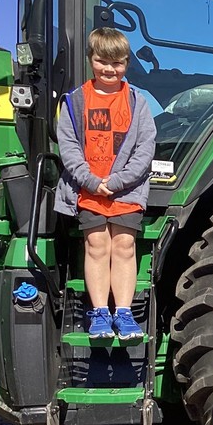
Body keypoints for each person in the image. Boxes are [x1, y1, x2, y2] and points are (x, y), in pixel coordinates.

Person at [55, 27, 156, 340]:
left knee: (124, 246)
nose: (110, 69)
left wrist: (118, 181)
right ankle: (100, 312)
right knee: (97, 244)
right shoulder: (74, 102)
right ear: (90, 60)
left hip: (127, 189)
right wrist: (91, 180)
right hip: (88, 189)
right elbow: (68, 146)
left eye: (119, 63)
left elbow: (145, 147)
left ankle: (123, 313)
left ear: (126, 64)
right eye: (102, 62)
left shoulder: (138, 102)